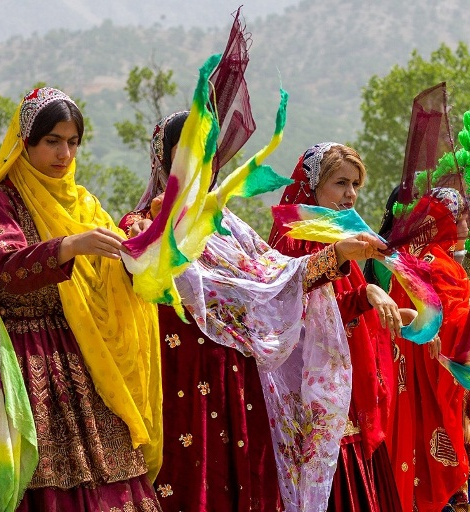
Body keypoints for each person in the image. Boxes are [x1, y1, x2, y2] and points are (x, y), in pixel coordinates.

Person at [122, 117, 391, 511]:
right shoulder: (141, 223)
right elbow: (144, 272)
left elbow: (278, 278)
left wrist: (340, 254)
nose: (201, 163)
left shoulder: (230, 227)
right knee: (192, 484)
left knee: (247, 484)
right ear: (163, 159)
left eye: (209, 152)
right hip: (183, 376)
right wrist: (158, 230)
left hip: (240, 377)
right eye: (188, 152)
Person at [0, 87, 163, 511]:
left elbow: (120, 267)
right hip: (21, 359)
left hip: (83, 354)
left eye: (72, 142)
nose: (64, 153)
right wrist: (69, 246)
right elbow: (7, 267)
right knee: (36, 486)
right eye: (52, 141)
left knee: (111, 478)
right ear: (26, 142)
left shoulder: (86, 204)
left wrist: (153, 243)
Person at [269, 142, 402, 511]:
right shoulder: (293, 237)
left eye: (356, 184)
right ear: (311, 186)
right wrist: (365, 291)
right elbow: (294, 305)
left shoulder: (338, 235)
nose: (351, 194)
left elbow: (336, 311)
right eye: (341, 183)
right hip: (315, 399)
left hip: (346, 392)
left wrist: (370, 298)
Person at [385, 187, 470, 512]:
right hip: (428, 381)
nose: (465, 225)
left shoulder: (416, 257)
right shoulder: (436, 265)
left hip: (411, 381)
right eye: (458, 217)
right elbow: (450, 327)